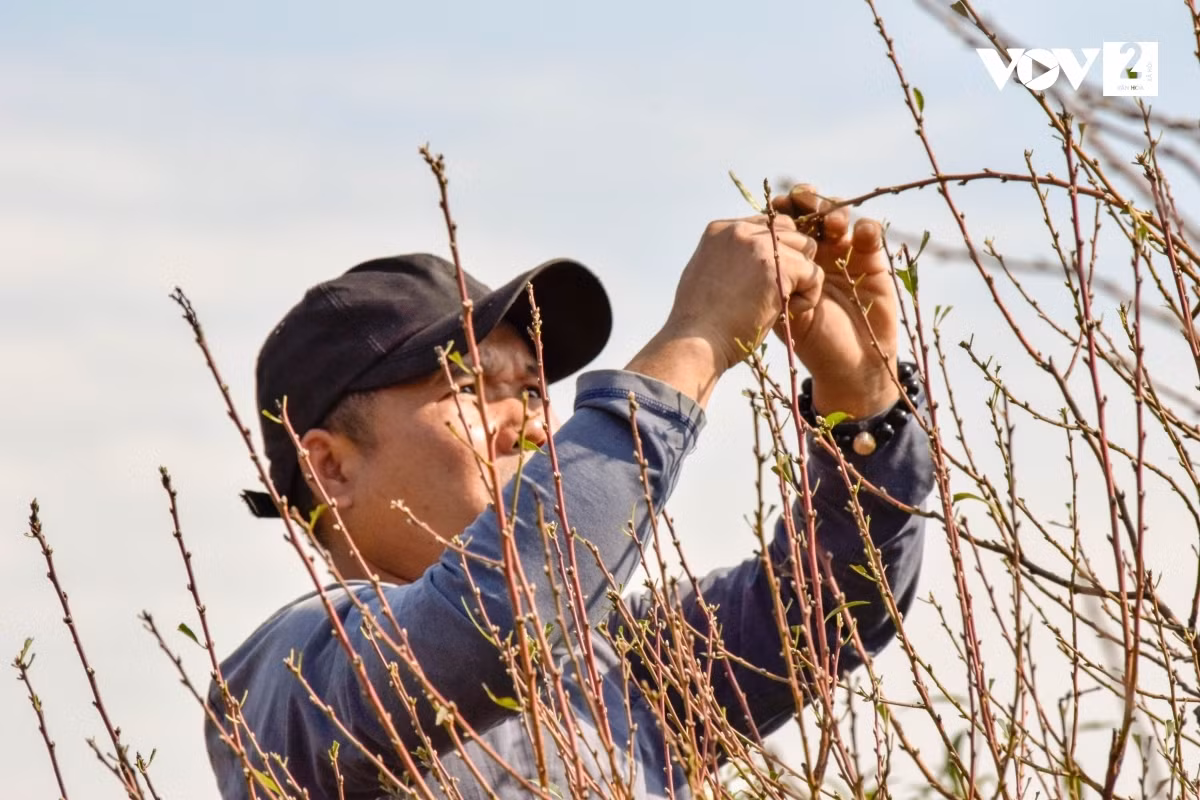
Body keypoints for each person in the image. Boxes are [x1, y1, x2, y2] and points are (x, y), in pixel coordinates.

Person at [206, 187, 934, 799]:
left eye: (530, 389)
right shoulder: (287, 680)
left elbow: (832, 605)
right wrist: (696, 339)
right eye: (470, 387)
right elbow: (491, 621)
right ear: (332, 468)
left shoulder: (622, 665)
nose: (526, 426)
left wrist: (863, 399)